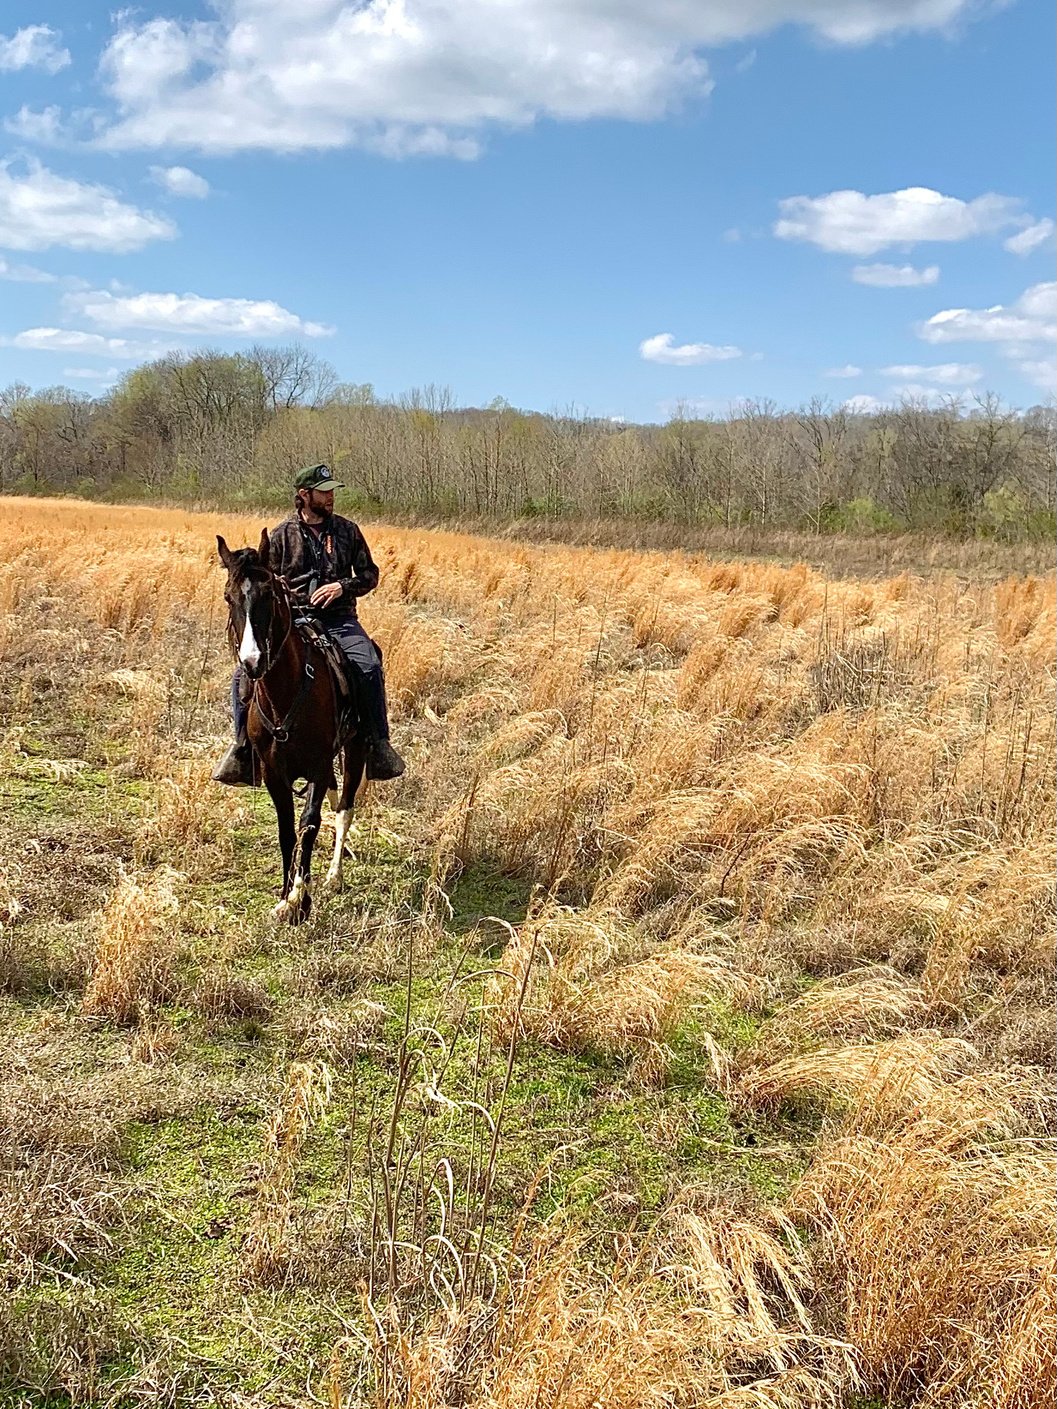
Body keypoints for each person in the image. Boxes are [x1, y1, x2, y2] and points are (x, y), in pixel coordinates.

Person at [212, 463, 405, 785]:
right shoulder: (281, 536)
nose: (330, 497)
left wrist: (343, 586)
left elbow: (370, 574)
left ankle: (377, 745)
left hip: (340, 619)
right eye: (324, 492)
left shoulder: (347, 531)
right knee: (242, 674)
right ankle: (242, 750)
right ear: (304, 495)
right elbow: (265, 583)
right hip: (296, 620)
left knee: (368, 664)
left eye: (331, 492)